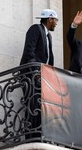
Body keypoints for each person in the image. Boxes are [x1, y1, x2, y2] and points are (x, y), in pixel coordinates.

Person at [19, 8, 59, 140]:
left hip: (43, 77)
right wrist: (35, 72)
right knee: (32, 104)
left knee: (41, 106)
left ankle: (39, 134)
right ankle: (30, 136)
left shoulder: (48, 35)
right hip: (32, 75)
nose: (56, 23)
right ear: (49, 19)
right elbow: (29, 51)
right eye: (55, 20)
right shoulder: (36, 29)